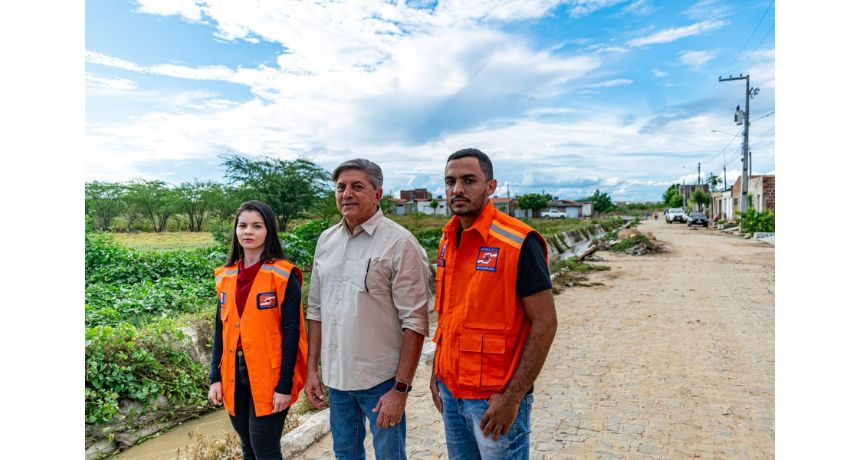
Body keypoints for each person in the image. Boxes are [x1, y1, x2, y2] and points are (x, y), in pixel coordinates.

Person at [430, 148, 558, 459]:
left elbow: (545, 322)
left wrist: (513, 397)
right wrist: (436, 372)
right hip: (451, 390)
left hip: (494, 399)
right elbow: (450, 316)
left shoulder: (518, 243)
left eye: (468, 180)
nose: (457, 189)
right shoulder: (448, 240)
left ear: (491, 186)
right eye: (450, 182)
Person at [304, 159, 430, 459]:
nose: (346, 193)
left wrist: (400, 390)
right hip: (337, 380)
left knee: (389, 455)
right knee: (345, 454)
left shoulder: (400, 244)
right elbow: (316, 310)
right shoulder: (326, 241)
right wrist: (312, 371)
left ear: (377, 193)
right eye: (341, 187)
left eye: (357, 186)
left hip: (381, 381)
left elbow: (415, 321)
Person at [208, 200, 308, 460]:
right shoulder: (225, 276)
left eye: (257, 226)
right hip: (233, 373)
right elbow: (220, 331)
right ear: (235, 231)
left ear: (269, 231)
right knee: (247, 447)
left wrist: (284, 386)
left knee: (265, 448)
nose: (248, 231)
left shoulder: (283, 276)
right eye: (242, 225)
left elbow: (292, 334)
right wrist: (214, 378)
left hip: (270, 376)